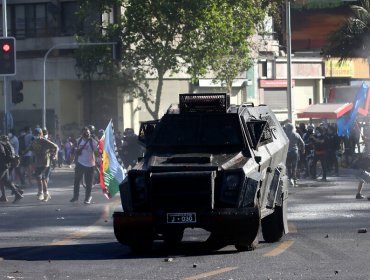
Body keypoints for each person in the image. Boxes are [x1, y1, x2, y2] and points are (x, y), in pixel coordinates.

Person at [22, 128, 58, 202]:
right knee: (40, 178)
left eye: (38, 134)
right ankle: (45, 193)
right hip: (38, 162)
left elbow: (56, 146)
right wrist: (21, 155)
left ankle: (42, 193)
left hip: (45, 162)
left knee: (40, 176)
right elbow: (28, 149)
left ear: (41, 134)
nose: (36, 136)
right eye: (35, 134)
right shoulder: (34, 142)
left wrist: (55, 155)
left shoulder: (44, 141)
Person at [70, 127, 99, 204]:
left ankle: (87, 198)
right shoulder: (78, 140)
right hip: (80, 164)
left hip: (90, 165)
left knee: (88, 182)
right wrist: (72, 157)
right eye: (84, 132)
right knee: (76, 181)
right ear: (82, 133)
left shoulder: (93, 142)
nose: (86, 134)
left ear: (90, 133)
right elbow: (73, 149)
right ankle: (75, 197)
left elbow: (97, 153)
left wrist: (99, 153)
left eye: (88, 132)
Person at [0, 135, 23, 203]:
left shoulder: (2, 145)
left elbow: (2, 154)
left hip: (2, 166)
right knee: (6, 181)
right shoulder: (7, 145)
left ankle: (17, 192)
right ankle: (17, 193)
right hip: (6, 165)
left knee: (5, 181)